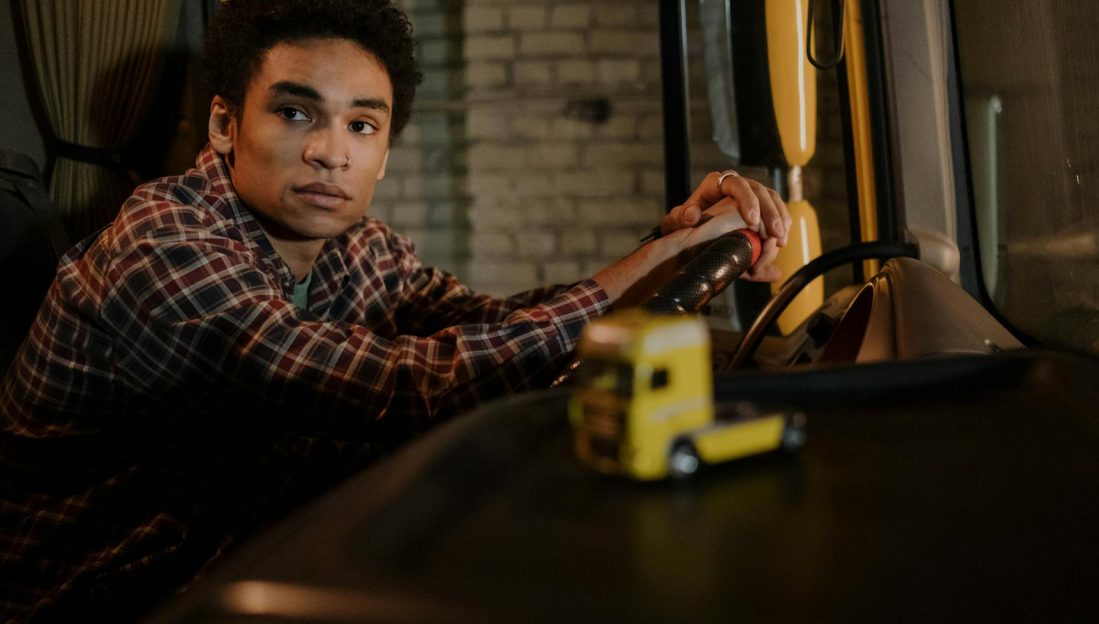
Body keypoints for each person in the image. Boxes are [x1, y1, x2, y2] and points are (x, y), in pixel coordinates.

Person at [0, 0, 790, 620]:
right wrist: (650, 266)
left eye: (362, 125)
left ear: (382, 155)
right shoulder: (163, 241)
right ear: (223, 125)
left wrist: (671, 241)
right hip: (106, 592)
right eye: (295, 113)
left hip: (248, 557)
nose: (330, 151)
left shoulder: (362, 246)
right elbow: (402, 387)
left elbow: (490, 327)